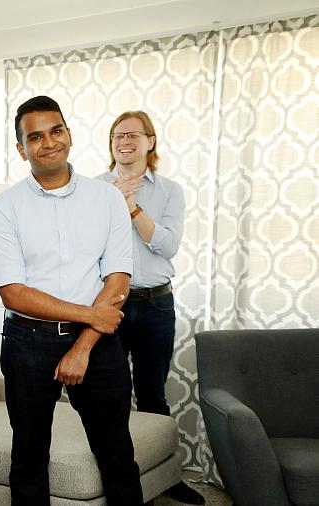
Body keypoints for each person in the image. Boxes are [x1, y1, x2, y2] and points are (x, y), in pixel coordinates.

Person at [0, 96, 143, 505]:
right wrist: (92, 314)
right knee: (29, 458)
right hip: (26, 343)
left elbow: (119, 276)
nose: (48, 142)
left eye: (56, 130)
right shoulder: (5, 208)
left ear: (69, 134)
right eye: (34, 137)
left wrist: (83, 344)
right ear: (22, 149)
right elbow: (12, 291)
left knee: (118, 455)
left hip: (97, 342)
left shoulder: (106, 198)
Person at [97, 111, 203, 505]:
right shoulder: (93, 188)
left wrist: (133, 208)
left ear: (150, 142)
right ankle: (121, 480)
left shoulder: (170, 190)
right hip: (110, 305)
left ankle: (166, 477)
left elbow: (168, 245)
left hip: (157, 304)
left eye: (132, 135)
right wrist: (114, 199)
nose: (124, 141)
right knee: (111, 395)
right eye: (117, 135)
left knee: (153, 394)